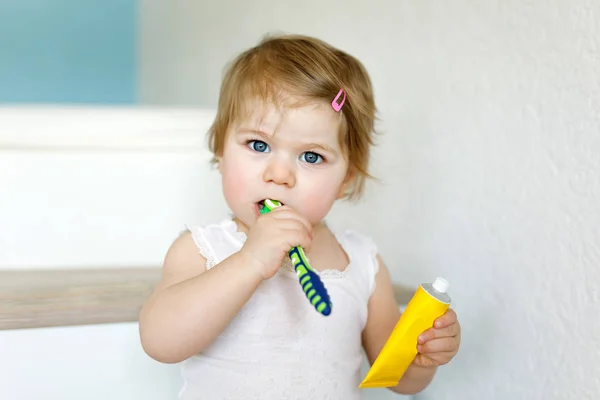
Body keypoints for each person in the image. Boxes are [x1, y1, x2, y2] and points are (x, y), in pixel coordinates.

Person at [139, 33, 461, 399]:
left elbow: (397, 379)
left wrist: (423, 358)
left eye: (311, 157)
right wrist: (249, 261)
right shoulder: (202, 250)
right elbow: (160, 341)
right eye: (258, 145)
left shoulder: (361, 262)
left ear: (346, 179)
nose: (279, 174)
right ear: (221, 151)